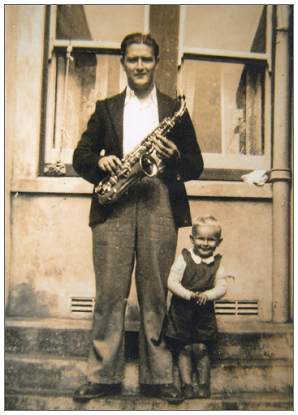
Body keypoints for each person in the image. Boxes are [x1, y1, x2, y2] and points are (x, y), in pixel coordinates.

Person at [72, 32, 204, 404]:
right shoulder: (106, 107)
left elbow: (196, 165)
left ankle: (159, 377)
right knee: (109, 295)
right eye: (133, 59)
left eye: (146, 59)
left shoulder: (174, 110)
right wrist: (99, 162)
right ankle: (102, 376)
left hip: (159, 202)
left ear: (156, 63)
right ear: (123, 62)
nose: (140, 66)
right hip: (114, 204)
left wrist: (176, 154)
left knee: (154, 295)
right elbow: (79, 156)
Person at [165, 215, 228, 399]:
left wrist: (208, 295)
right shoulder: (184, 258)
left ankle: (203, 384)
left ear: (219, 241)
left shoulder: (217, 264)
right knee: (183, 348)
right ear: (192, 239)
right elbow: (172, 281)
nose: (205, 243)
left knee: (201, 348)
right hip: (182, 312)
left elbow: (222, 286)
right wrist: (188, 294)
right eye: (201, 238)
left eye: (211, 239)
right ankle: (186, 385)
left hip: (203, 314)